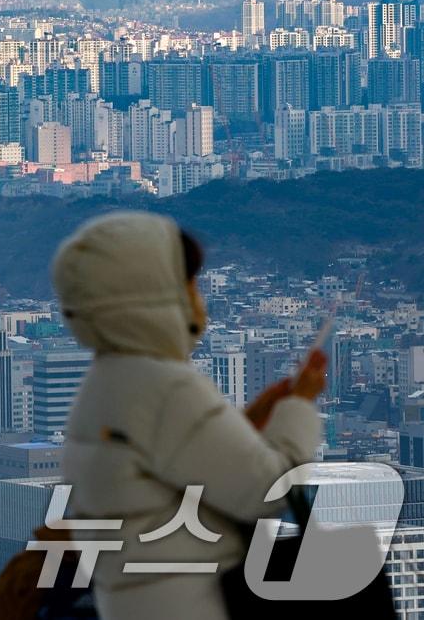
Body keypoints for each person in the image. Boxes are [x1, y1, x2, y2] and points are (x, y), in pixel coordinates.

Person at [54, 211, 326, 620]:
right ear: (153, 297)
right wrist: (301, 404)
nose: (198, 295)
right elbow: (269, 491)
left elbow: (180, 466)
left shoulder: (105, 383)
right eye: (188, 282)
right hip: (202, 603)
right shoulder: (166, 387)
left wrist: (248, 424)